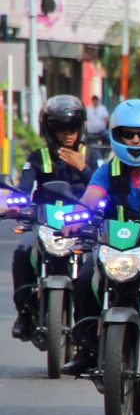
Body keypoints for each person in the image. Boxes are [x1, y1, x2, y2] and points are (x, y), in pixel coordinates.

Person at [61, 99, 140, 376]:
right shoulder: (108, 169)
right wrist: (76, 217)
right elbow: (90, 197)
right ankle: (86, 349)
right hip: (114, 248)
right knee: (83, 278)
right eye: (127, 134)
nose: (136, 140)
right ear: (115, 135)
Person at [10, 95, 100, 339]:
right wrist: (14, 204)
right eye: (61, 128)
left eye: (72, 128)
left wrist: (83, 167)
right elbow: (23, 189)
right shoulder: (38, 158)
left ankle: (91, 326)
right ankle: (24, 313)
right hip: (45, 223)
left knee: (96, 266)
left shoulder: (91, 157)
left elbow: (104, 188)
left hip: (80, 227)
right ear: (50, 130)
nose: (68, 134)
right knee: (22, 252)